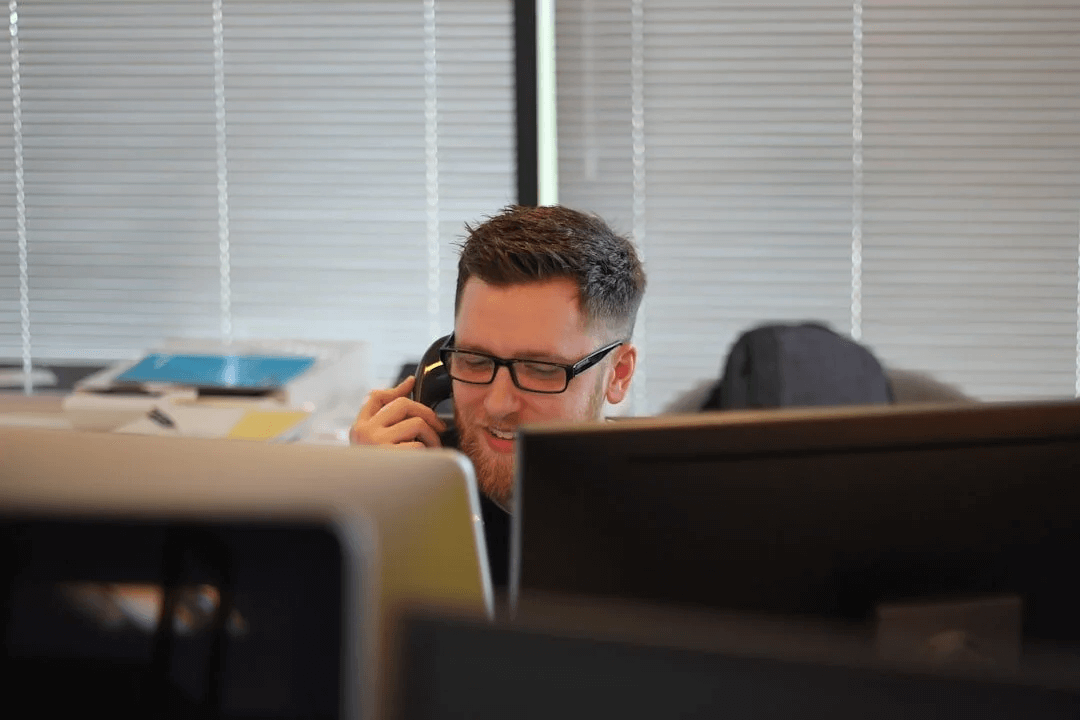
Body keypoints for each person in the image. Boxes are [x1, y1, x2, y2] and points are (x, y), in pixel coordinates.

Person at [349, 204, 646, 587]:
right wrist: (362, 508)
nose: (498, 404)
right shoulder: (411, 498)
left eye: (540, 369)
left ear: (618, 374)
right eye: (474, 360)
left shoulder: (671, 534)